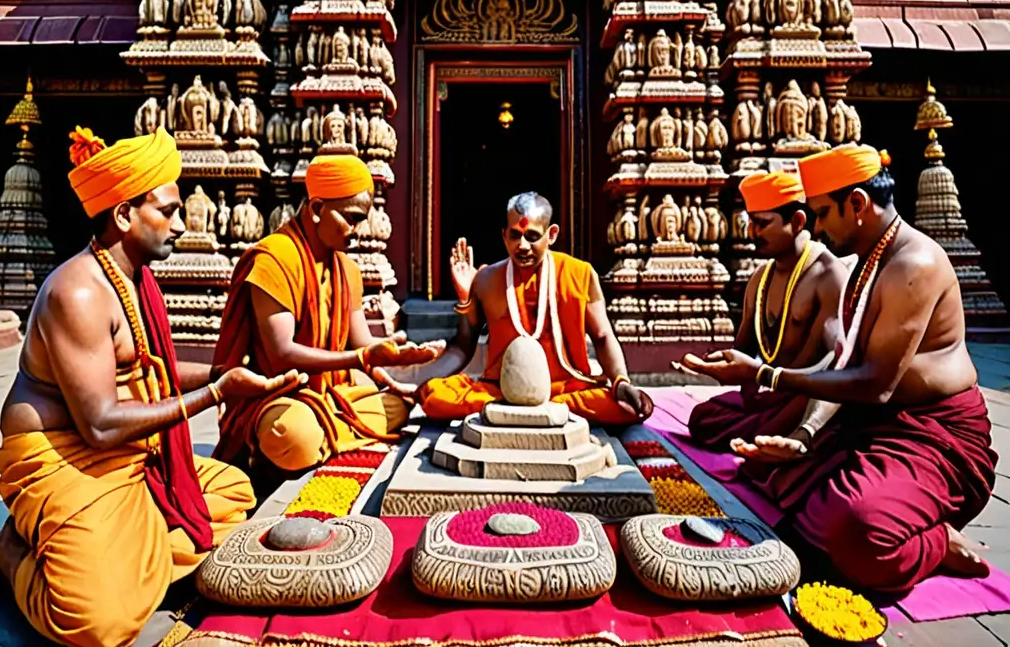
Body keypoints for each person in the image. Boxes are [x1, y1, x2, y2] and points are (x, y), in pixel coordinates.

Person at [0, 126, 299, 647]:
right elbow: (101, 424)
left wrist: (226, 377)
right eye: (168, 210)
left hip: (128, 459)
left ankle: (118, 550)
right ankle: (10, 549)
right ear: (124, 216)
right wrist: (217, 395)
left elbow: (151, 373)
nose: (182, 224)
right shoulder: (79, 293)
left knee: (230, 494)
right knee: (98, 623)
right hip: (68, 456)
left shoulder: (134, 277)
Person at [681, 144, 998, 594]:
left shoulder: (913, 263)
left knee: (859, 535)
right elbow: (844, 363)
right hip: (868, 422)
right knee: (770, 475)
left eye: (823, 213)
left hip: (933, 434)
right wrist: (803, 437)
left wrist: (764, 375)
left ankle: (936, 540)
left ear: (858, 204)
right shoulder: (869, 262)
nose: (820, 227)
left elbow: (874, 383)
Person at [212, 147, 440, 474]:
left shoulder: (346, 270)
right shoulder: (274, 258)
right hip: (279, 396)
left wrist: (395, 363)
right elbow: (282, 354)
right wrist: (363, 359)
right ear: (317, 208)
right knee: (293, 435)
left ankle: (326, 437)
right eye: (351, 218)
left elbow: (362, 345)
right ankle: (318, 438)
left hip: (331, 396)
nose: (358, 229)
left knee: (399, 407)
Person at [380, 192, 653, 423]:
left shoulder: (580, 273)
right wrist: (419, 383)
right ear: (504, 235)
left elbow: (603, 336)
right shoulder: (486, 280)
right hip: (500, 390)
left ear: (552, 234)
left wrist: (621, 382)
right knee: (436, 397)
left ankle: (514, 416)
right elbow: (462, 345)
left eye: (532, 236)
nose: (522, 245)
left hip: (565, 389)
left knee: (627, 406)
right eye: (515, 235)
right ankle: (543, 416)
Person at [686, 170, 848, 463]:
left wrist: (763, 379)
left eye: (762, 224)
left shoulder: (829, 274)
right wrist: (716, 367)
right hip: (769, 398)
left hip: (808, 396)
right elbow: (743, 351)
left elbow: (832, 365)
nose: (751, 233)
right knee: (703, 418)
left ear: (797, 221)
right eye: (750, 223)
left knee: (778, 433)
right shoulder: (760, 279)